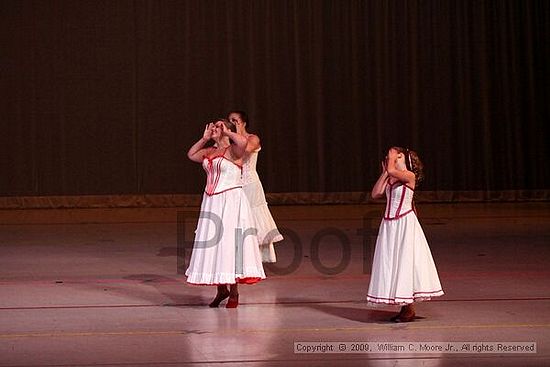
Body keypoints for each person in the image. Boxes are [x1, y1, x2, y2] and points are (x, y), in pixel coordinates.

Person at [185, 119, 266, 308]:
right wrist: (204, 138)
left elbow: (244, 144)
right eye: (214, 126)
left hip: (231, 201)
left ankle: (234, 292)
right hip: (212, 202)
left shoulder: (234, 151)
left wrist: (227, 133)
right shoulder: (209, 151)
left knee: (231, 245)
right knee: (215, 245)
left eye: (218, 126)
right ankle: (222, 289)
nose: (215, 129)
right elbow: (191, 155)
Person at [367, 147, 444, 322]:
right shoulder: (391, 176)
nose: (392, 158)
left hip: (404, 224)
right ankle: (405, 306)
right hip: (390, 225)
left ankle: (408, 309)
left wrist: (390, 164)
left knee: (404, 262)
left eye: (397, 156)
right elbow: (376, 193)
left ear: (406, 160)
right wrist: (385, 174)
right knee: (393, 263)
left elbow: (393, 170)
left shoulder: (410, 176)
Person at [228, 111, 283, 263]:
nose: (232, 123)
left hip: (250, 183)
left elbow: (244, 152)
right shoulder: (230, 142)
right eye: (230, 120)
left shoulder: (252, 138)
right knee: (237, 218)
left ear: (243, 122)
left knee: (252, 216)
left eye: (235, 120)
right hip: (234, 183)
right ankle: (238, 257)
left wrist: (236, 134)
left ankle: (255, 257)